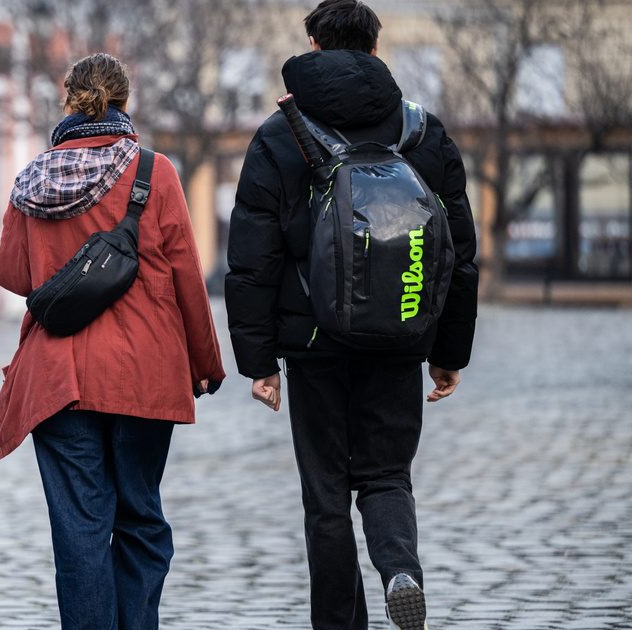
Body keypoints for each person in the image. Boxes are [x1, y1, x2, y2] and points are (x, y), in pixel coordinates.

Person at [224, 1, 479, 629]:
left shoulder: (280, 134)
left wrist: (258, 361)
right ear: (376, 45)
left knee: (326, 500)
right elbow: (461, 254)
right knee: (387, 474)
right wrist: (449, 352)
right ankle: (399, 569)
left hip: (314, 343)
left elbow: (252, 258)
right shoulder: (423, 132)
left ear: (312, 44)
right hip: (400, 335)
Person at [0, 53, 226, 629]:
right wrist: (204, 363)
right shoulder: (154, 172)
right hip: (144, 374)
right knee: (141, 518)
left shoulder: (35, 177)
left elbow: (13, 276)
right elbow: (186, 275)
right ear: (124, 101)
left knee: (80, 531)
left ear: (68, 99)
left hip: (58, 378)